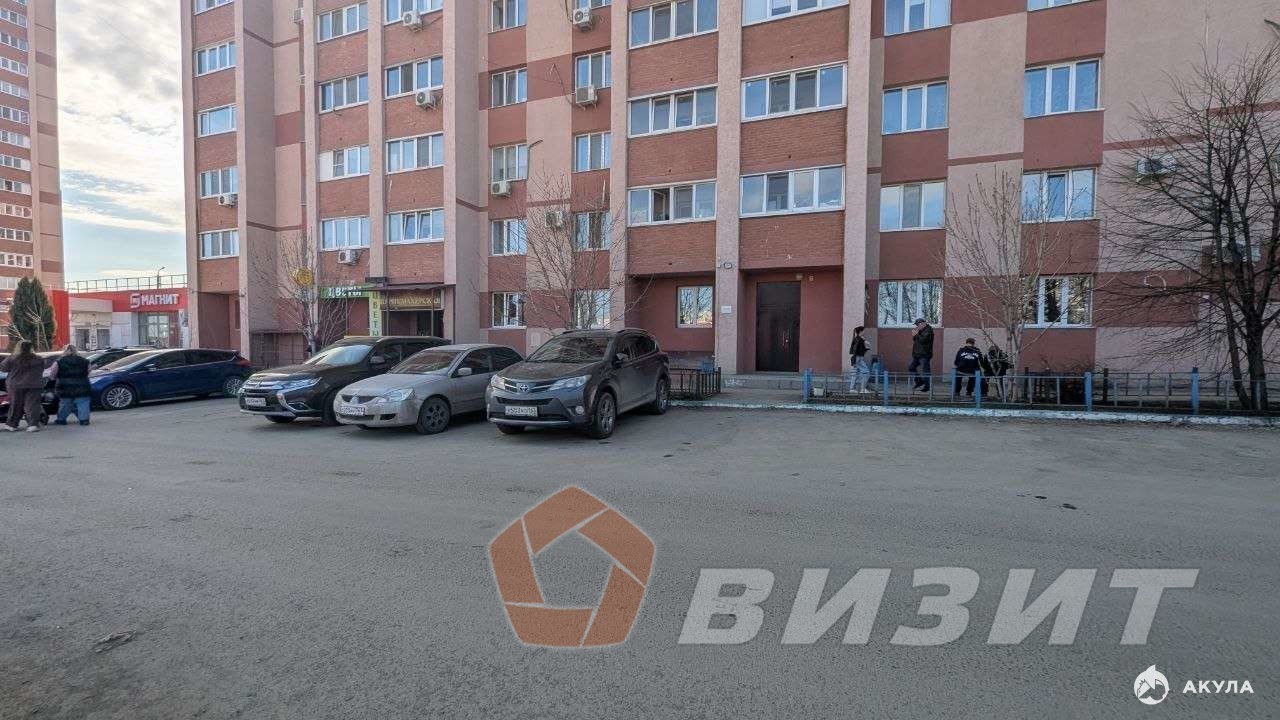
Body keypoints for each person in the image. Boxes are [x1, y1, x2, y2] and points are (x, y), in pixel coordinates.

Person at [1, 341, 46, 432]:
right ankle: (33, 425)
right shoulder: (38, 359)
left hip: (15, 384)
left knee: (15, 404)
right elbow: (42, 368)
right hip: (34, 384)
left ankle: (12, 424)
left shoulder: (12, 359)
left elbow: (3, 368)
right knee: (32, 404)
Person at [49, 344, 92, 426]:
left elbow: (52, 374)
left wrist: (53, 379)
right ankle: (84, 420)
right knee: (83, 403)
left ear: (64, 351)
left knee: (65, 403)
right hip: (82, 385)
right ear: (76, 350)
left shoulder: (59, 361)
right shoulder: (85, 361)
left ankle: (61, 419)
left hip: (64, 386)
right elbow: (88, 371)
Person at [908, 319, 935, 391]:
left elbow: (923, 340)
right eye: (916, 325)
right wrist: (914, 335)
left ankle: (927, 386)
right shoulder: (920, 330)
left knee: (925, 370)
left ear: (922, 324)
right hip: (917, 354)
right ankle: (919, 381)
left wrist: (916, 334)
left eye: (917, 325)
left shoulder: (929, 331)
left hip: (924, 354)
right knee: (911, 368)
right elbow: (916, 340)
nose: (916, 326)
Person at [848, 326, 871, 394]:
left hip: (856, 358)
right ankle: (863, 389)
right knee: (866, 372)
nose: (865, 332)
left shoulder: (857, 339)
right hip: (858, 358)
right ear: (861, 331)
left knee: (855, 374)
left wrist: (865, 346)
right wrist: (865, 343)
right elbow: (857, 349)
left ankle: (852, 389)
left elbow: (854, 349)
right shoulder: (860, 339)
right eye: (864, 330)